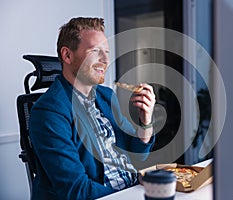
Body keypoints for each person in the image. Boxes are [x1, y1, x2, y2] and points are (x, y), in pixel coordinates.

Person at [29, 17, 156, 200]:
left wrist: (145, 122)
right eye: (95, 51)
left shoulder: (106, 96)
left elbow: (137, 158)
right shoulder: (49, 112)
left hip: (133, 189)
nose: (105, 59)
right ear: (67, 55)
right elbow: (77, 191)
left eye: (106, 52)